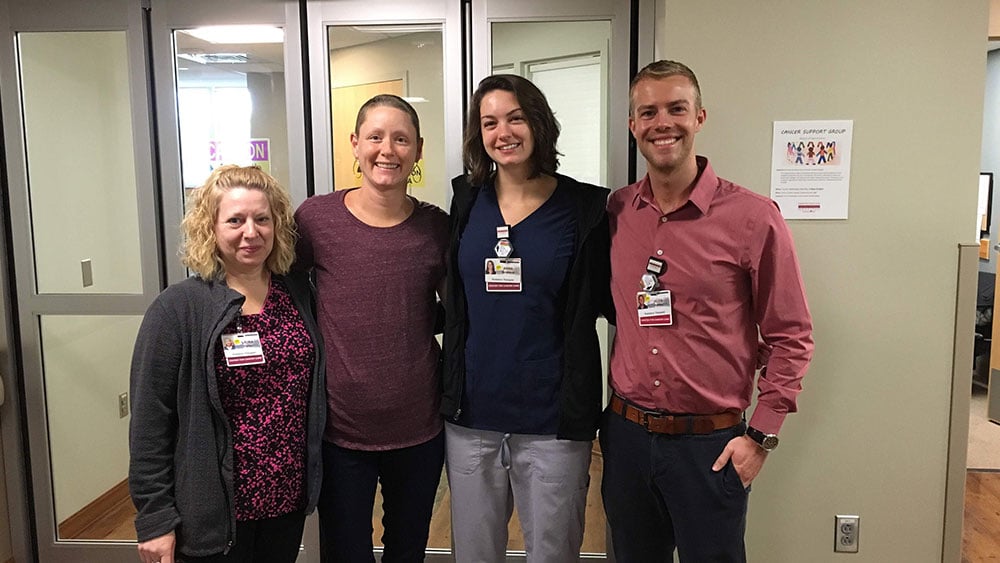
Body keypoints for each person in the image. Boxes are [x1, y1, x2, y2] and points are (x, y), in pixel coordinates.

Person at [602, 60, 814, 562]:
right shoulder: (615, 212)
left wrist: (761, 435)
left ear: (699, 117)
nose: (662, 123)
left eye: (676, 108)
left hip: (710, 447)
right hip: (627, 437)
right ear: (632, 125)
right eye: (647, 112)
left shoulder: (751, 217)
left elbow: (791, 334)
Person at [441, 74, 613, 563]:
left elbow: (610, 299)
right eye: (490, 122)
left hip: (551, 419)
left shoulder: (585, 209)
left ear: (537, 123)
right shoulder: (467, 201)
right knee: (475, 554)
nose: (504, 132)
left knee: (553, 552)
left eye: (515, 118)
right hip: (471, 416)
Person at [129, 165, 326, 563]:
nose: (250, 232)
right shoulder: (178, 309)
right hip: (213, 513)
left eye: (262, 219)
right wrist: (155, 519)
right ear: (211, 227)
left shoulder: (297, 295)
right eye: (235, 220)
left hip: (285, 502)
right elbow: (151, 422)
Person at [295, 94, 448, 563]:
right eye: (376, 136)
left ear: (418, 150)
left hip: (419, 429)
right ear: (354, 143)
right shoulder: (315, 220)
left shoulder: (437, 229)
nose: (388, 149)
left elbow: (458, 311)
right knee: (345, 554)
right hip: (341, 431)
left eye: (401, 139)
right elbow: (286, 296)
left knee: (407, 551)